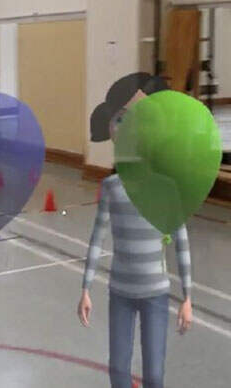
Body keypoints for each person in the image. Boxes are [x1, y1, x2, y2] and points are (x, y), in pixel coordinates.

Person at [78, 73, 193, 388]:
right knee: (118, 370)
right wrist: (86, 288)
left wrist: (187, 297)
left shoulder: (168, 189)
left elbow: (181, 242)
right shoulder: (111, 187)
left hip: (156, 292)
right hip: (120, 292)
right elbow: (97, 238)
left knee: (154, 375)